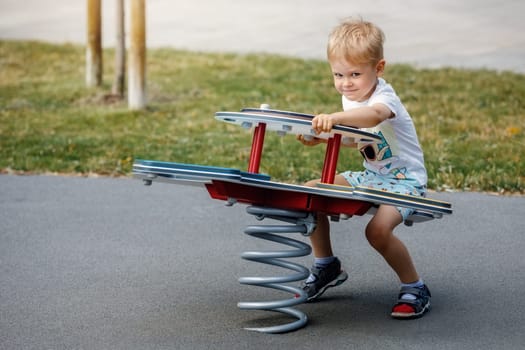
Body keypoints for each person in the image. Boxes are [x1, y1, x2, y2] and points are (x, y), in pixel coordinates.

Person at [297, 17, 431, 319]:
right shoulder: (349, 98)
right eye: (338, 74)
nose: (346, 83)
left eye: (355, 74)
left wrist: (334, 117)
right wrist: (323, 139)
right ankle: (326, 265)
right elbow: (360, 141)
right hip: (372, 176)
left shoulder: (384, 97)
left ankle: (415, 287)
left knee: (377, 231)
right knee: (309, 193)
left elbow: (373, 118)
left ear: (378, 69)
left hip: (404, 182)